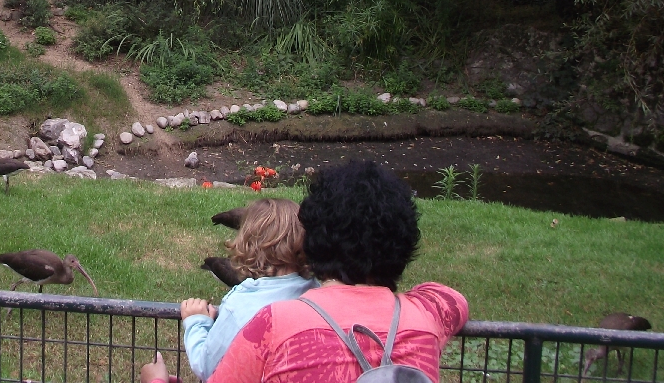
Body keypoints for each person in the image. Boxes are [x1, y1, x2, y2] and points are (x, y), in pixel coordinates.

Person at [142, 161, 467, 383]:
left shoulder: (273, 324)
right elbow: (451, 298)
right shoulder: (426, 315)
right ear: (406, 244)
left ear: (311, 238)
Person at [181, 199, 317, 381]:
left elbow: (207, 366)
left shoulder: (240, 306)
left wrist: (196, 321)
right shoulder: (318, 292)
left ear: (246, 244)